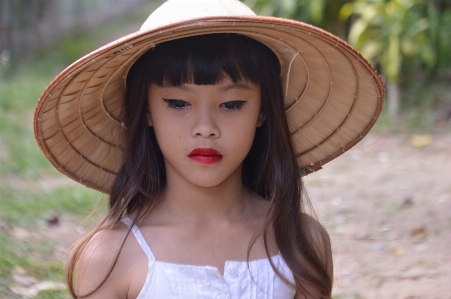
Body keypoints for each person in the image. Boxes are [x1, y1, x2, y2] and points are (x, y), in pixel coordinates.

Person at [33, 1, 384, 298]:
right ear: (146, 111)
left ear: (263, 110)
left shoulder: (302, 243)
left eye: (231, 104)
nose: (205, 127)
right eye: (177, 103)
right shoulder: (110, 257)